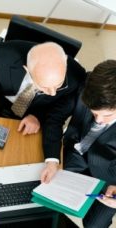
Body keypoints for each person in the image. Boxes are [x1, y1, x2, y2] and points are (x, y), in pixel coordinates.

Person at [0, 41, 86, 180]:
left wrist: (37, 116)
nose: (52, 93)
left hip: (35, 110)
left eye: (58, 85)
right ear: (27, 70)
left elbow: (57, 111)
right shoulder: (3, 54)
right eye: (44, 87)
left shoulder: (76, 76)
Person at [61, 60, 116, 227]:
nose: (98, 120)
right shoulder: (89, 84)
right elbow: (57, 113)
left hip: (110, 177)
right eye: (94, 113)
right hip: (74, 152)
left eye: (106, 115)